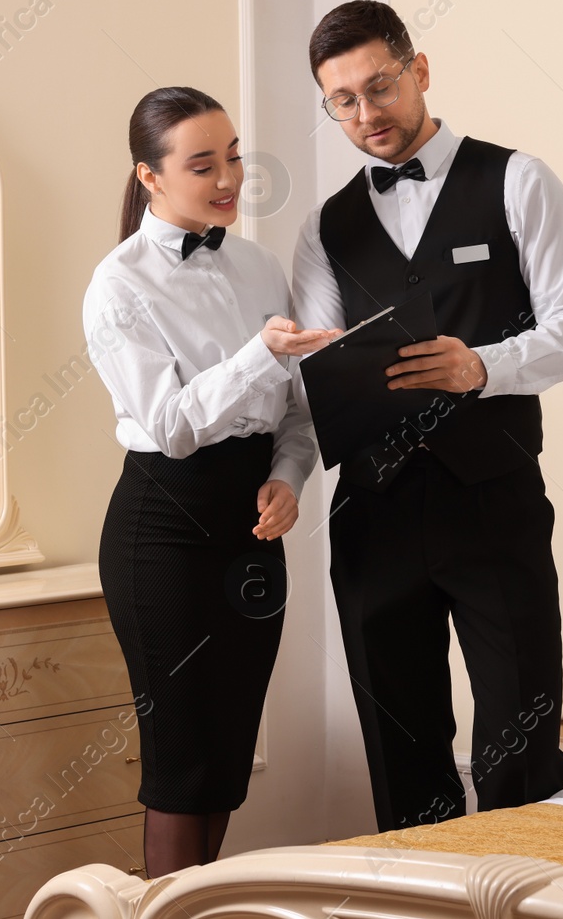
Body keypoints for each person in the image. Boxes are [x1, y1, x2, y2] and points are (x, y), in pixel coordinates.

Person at [291, 0, 563, 831]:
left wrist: (481, 365)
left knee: (518, 742)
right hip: (372, 509)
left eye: (380, 87)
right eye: (343, 101)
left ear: (419, 70)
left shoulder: (517, 179)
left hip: (491, 497)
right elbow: (316, 365)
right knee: (402, 753)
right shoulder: (324, 227)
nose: (367, 115)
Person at [84, 87, 338, 875]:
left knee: (225, 758)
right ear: (149, 176)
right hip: (164, 528)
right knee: (181, 760)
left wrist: (291, 478)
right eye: (203, 164)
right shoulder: (119, 285)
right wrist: (259, 352)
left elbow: (297, 410)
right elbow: (171, 426)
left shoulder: (260, 264)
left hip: (251, 531)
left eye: (233, 155)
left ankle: (195, 902)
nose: (229, 176)